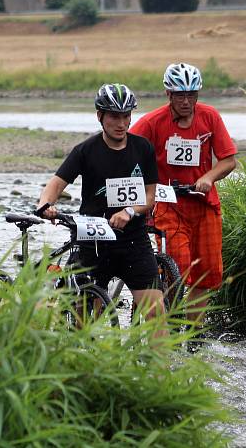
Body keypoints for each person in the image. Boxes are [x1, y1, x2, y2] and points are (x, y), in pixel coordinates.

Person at [37, 84, 165, 324]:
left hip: (133, 241)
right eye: (114, 116)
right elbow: (54, 185)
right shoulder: (85, 151)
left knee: (156, 313)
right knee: (83, 317)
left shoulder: (143, 148)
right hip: (93, 240)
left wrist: (129, 211)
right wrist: (45, 206)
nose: (121, 123)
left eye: (126, 116)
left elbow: (150, 197)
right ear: (100, 116)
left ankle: (161, 362)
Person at [130, 63, 237, 326]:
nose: (187, 101)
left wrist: (208, 177)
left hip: (205, 205)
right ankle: (169, 325)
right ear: (168, 95)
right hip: (169, 205)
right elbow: (125, 150)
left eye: (192, 95)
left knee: (207, 273)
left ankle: (194, 332)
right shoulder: (152, 123)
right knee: (178, 267)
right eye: (180, 95)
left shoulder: (210, 116)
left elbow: (229, 160)